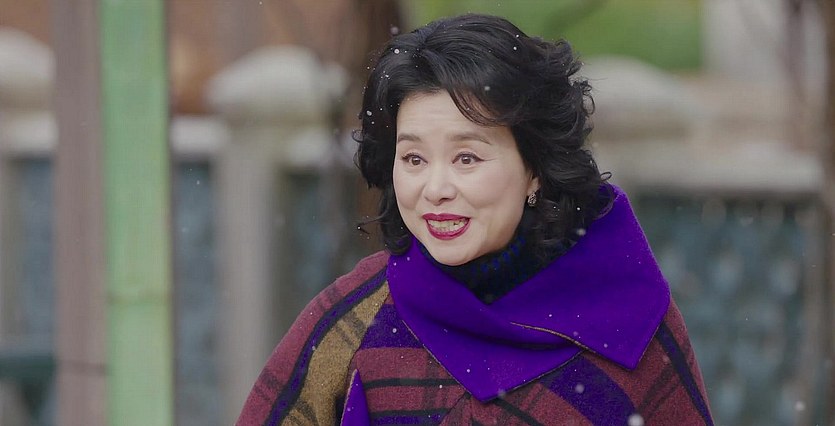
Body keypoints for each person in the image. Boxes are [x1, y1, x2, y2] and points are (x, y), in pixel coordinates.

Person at [238, 13, 713, 426]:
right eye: (414, 159)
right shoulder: (354, 319)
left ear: (534, 169)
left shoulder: (626, 316)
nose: (435, 188)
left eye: (466, 158)